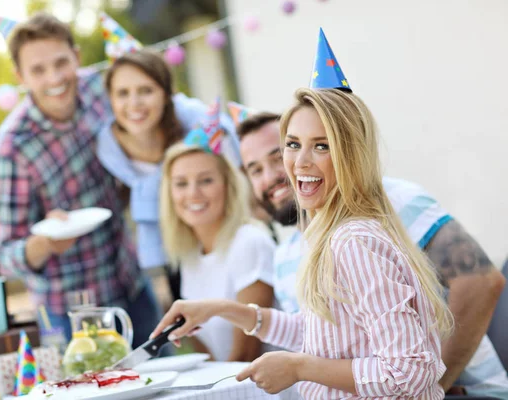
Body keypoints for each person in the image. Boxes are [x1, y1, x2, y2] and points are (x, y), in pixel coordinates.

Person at [153, 29, 453, 398]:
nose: (299, 162)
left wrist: (299, 367)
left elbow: (410, 372)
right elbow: (323, 335)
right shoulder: (327, 234)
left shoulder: (352, 241)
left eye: (321, 146)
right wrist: (222, 309)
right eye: (293, 145)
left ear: (350, 155)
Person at [235, 98, 508, 396]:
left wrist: (433, 387)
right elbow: (322, 341)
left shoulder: (387, 208)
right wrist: (228, 312)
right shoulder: (287, 255)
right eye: (255, 169)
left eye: (276, 157)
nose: (275, 174)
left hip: (470, 390)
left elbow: (482, 281)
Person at [0, 12, 161, 347]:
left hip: (131, 280)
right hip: (73, 312)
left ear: (77, 58)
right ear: (20, 76)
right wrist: (44, 242)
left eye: (60, 63)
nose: (54, 77)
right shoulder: (13, 148)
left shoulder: (101, 90)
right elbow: (6, 256)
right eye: (38, 70)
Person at [97, 50, 240, 271]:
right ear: (111, 100)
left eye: (146, 91)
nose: (134, 103)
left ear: (165, 95)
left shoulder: (195, 121)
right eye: (122, 93)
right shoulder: (109, 148)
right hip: (173, 249)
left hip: (226, 236)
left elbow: (238, 175)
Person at [157, 115, 275, 362]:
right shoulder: (190, 258)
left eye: (206, 180)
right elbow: (208, 359)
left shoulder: (249, 241)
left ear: (227, 185)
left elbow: (246, 354)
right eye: (181, 184)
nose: (193, 194)